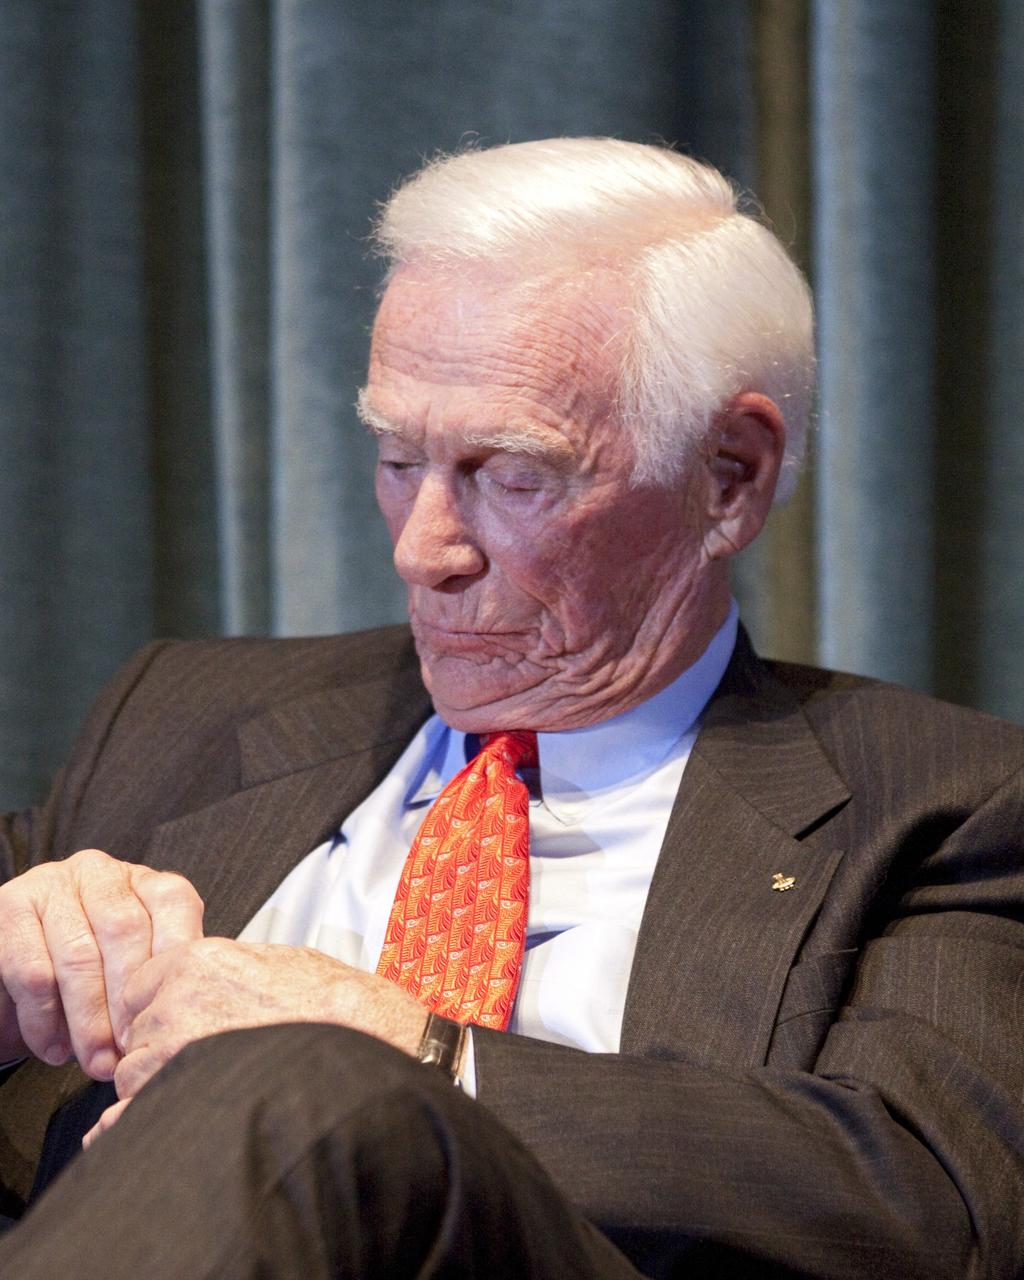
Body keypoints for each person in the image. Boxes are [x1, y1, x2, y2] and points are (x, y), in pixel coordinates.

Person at [1, 137, 1023, 1279]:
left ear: (727, 474)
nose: (420, 546)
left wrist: (403, 1047)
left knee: (301, 1078)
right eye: (397, 455)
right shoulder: (182, 714)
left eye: (511, 474)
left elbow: (930, 1201)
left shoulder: (944, 805)